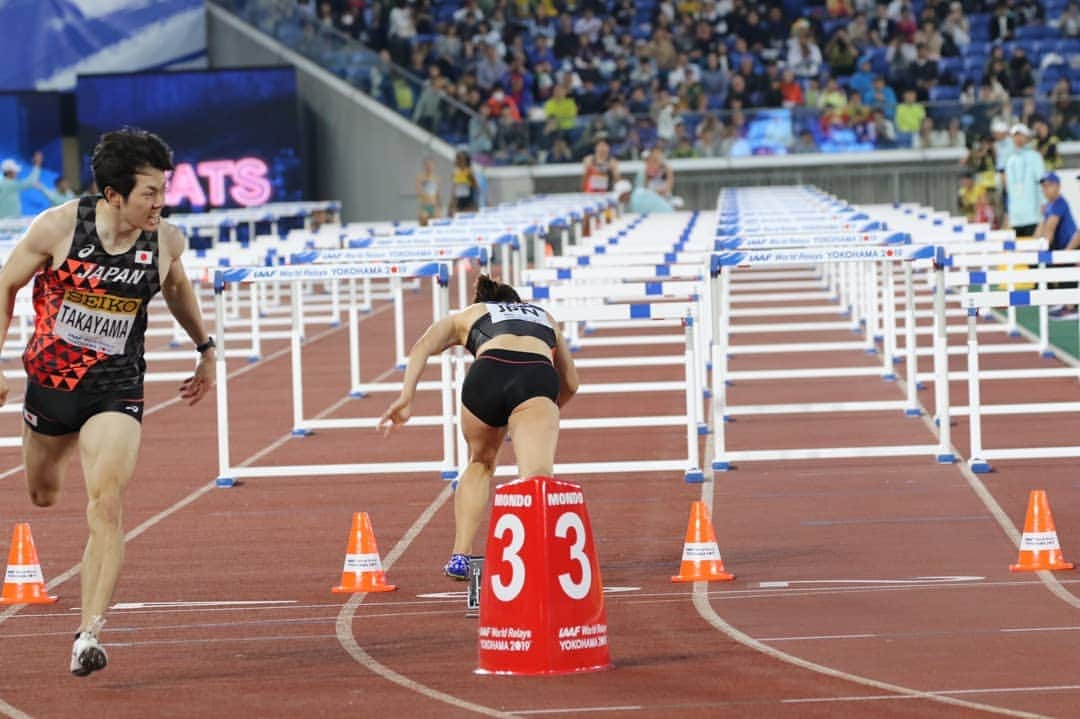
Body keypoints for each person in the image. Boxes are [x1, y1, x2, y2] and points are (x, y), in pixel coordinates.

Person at [0, 128, 216, 676]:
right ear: (113, 194)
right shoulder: (59, 228)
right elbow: (5, 286)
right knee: (43, 495)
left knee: (108, 503)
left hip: (116, 388)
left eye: (163, 190)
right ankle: (65, 445)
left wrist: (205, 348)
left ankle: (88, 633)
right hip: (51, 385)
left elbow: (175, 288)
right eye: (149, 193)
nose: (160, 202)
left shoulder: (164, 239)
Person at [378, 275, 578, 578]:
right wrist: (540, 412)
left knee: (480, 463)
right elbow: (572, 383)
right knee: (536, 478)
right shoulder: (544, 316)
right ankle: (537, 558)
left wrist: (407, 397)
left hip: (486, 375)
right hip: (536, 377)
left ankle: (460, 556)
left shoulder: (467, 315)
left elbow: (421, 348)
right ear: (517, 303)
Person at [1033, 172, 1080, 319]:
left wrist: (1065, 252)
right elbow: (1041, 230)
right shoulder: (1049, 206)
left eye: (1048, 185)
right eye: (1043, 186)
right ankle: (1065, 303)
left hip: (1071, 246)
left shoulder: (1059, 203)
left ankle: (1070, 307)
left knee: (1067, 269)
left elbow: (1050, 230)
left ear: (1057, 186)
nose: (1044, 189)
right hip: (1066, 245)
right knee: (1061, 268)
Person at [1002, 123, 1044, 236]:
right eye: (1015, 136)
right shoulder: (1010, 160)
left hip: (1032, 216)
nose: (1018, 139)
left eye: (1021, 135)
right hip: (1015, 217)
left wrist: (1044, 208)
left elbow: (1042, 184)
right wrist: (1008, 213)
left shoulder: (1035, 157)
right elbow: (1009, 190)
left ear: (1027, 138)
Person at [0, 152, 43, 218]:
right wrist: (37, 164)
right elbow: (31, 182)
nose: (16, 173)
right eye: (15, 171)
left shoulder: (3, 183)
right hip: (9, 221)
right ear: (10, 172)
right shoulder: (9, 184)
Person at [448, 150, 479, 216]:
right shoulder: (456, 173)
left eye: (459, 160)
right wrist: (451, 205)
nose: (457, 161)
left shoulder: (469, 172)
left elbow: (476, 188)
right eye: (457, 159)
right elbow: (454, 191)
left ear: (465, 161)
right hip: (458, 202)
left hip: (469, 202)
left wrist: (475, 203)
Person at [415, 157, 441, 224]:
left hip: (434, 205)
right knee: (423, 220)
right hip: (425, 206)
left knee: (437, 222)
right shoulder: (420, 178)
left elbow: (437, 194)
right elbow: (419, 192)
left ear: (434, 166)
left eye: (431, 165)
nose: (429, 167)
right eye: (427, 165)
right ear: (424, 166)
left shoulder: (436, 178)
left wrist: (439, 206)